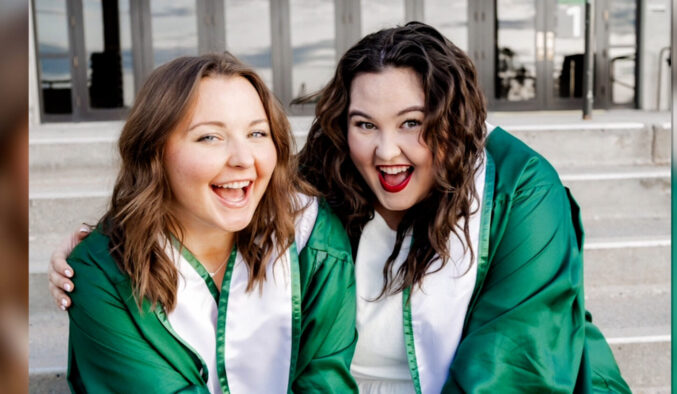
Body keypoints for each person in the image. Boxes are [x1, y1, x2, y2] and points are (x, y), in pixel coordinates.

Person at [50, 23, 630, 393]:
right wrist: (102, 244)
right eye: (363, 124)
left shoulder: (518, 190)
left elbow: (516, 365)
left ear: (452, 121)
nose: (386, 151)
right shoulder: (323, 184)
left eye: (413, 123)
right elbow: (210, 192)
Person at [54, 53, 357, 393]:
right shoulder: (103, 273)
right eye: (209, 137)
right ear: (154, 151)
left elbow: (324, 384)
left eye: (258, 133)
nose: (244, 159)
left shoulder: (314, 242)